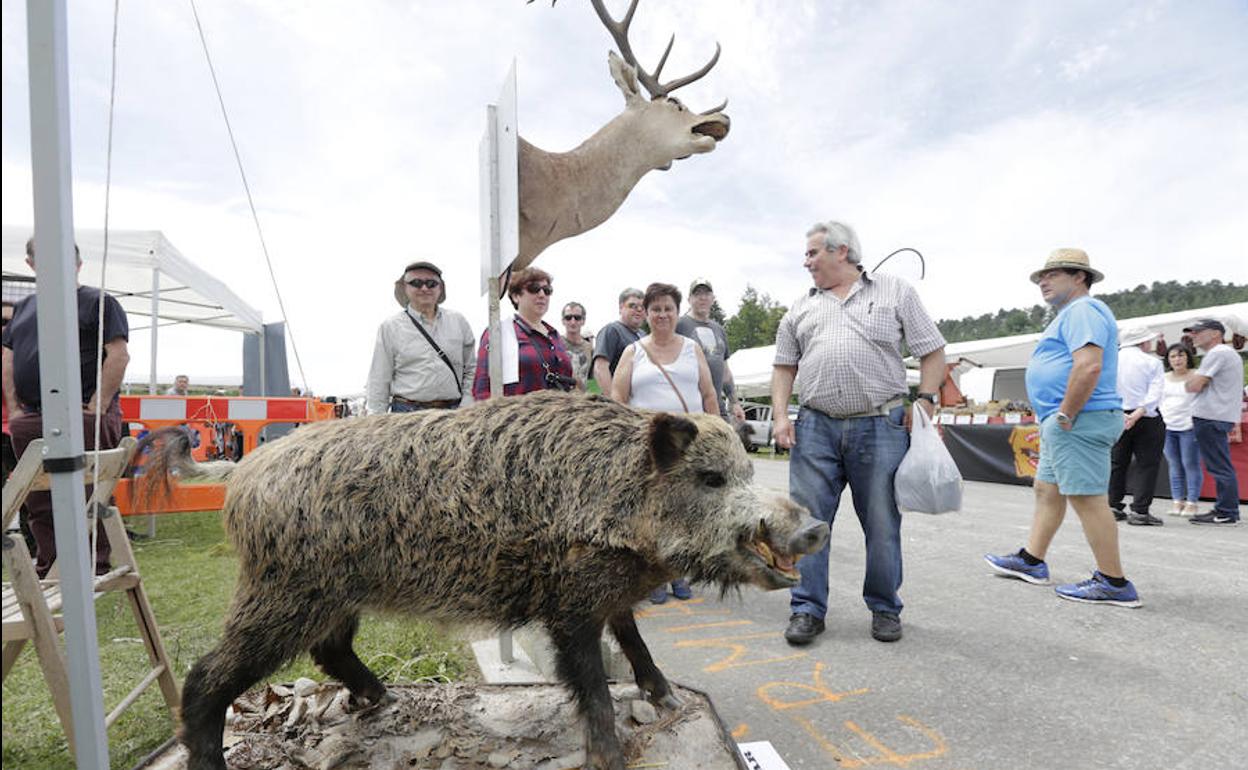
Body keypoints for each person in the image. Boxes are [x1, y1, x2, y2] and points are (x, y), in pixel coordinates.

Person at [771, 221, 947, 644]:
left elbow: (933, 350)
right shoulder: (799, 308)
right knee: (808, 523)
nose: (806, 261)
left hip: (880, 425)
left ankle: (885, 607)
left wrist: (925, 398)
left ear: (841, 251)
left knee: (883, 523)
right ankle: (807, 609)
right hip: (815, 427)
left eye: (813, 253)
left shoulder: (895, 292)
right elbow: (783, 367)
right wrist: (780, 416)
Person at [985, 248, 1141, 608]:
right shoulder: (1073, 314)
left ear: (1079, 277)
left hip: (1079, 419)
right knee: (1047, 489)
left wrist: (1066, 414)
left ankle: (1114, 582)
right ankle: (1032, 560)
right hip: (1068, 420)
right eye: (1042, 275)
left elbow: (1088, 366)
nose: (1043, 281)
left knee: (1087, 499)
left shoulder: (1083, 310)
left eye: (1052, 274)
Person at [1, 237, 130, 577]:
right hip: (31, 416)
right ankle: (51, 567)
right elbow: (9, 356)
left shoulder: (97, 302)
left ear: (77, 264)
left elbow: (118, 353)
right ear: (31, 265)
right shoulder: (26, 306)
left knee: (89, 493)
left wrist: (99, 404)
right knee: (38, 498)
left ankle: (93, 568)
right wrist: (15, 410)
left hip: (82, 413)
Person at [613, 282, 718, 604]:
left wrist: (717, 433)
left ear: (677, 312)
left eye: (668, 308)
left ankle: (680, 572)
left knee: (688, 510)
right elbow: (617, 397)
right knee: (652, 512)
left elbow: (709, 394)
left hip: (690, 445)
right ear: (646, 313)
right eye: (655, 309)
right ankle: (653, 577)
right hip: (650, 448)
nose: (662, 314)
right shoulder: (634, 351)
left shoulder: (692, 348)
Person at [366, 261, 476, 414]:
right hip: (407, 414)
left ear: (440, 288)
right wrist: (376, 421)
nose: (424, 288)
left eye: (431, 283)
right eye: (416, 283)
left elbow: (471, 368)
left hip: (453, 413)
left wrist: (466, 404)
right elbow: (379, 379)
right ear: (405, 288)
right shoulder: (390, 327)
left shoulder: (458, 322)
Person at [472, 267, 575, 398]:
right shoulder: (499, 333)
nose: (542, 294)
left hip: (559, 414)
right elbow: (482, 389)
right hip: (518, 416)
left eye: (547, 290)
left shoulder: (554, 336)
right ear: (516, 296)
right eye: (534, 289)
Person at [1183, 318, 1243, 525]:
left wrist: (1191, 381)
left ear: (1216, 333)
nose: (1194, 335)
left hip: (1211, 415)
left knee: (1219, 466)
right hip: (1219, 415)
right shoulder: (1226, 354)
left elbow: (1194, 386)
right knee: (1221, 464)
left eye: (1199, 331)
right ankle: (1226, 508)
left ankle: (1226, 510)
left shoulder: (1217, 353)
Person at [1108, 327, 1165, 526]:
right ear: (1143, 343)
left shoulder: (1111, 360)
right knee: (1146, 464)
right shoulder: (1152, 362)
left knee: (1117, 462)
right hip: (1146, 417)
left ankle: (1112, 505)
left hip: (1117, 415)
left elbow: (1104, 388)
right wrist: (1139, 412)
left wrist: (1122, 413)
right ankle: (1140, 510)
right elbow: (1156, 391)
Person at [677, 278, 746, 424]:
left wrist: (734, 402)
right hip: (689, 409)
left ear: (713, 299)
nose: (702, 298)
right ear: (689, 299)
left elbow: (725, 371)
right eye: (697, 294)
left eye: (707, 294)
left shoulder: (719, 329)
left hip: (717, 407)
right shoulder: (679, 325)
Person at [1160, 344, 1203, 517]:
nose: (1177, 359)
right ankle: (1178, 501)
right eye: (1173, 356)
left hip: (1189, 426)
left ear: (1187, 357)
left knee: (1190, 464)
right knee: (1174, 464)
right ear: (1168, 360)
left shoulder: (1197, 375)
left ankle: (1192, 502)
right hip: (1167, 426)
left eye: (1180, 355)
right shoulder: (1163, 378)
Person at [592, 288, 645, 398]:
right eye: (633, 306)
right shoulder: (612, 330)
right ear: (621, 308)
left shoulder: (644, 335)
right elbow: (600, 368)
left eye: (643, 307)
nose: (639, 310)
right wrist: (615, 402)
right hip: (622, 404)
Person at [560, 301, 594, 391]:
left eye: (577, 318)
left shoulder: (589, 348)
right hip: (560, 399)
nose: (573, 322)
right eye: (568, 318)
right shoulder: (556, 344)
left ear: (583, 321)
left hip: (582, 400)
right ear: (563, 321)